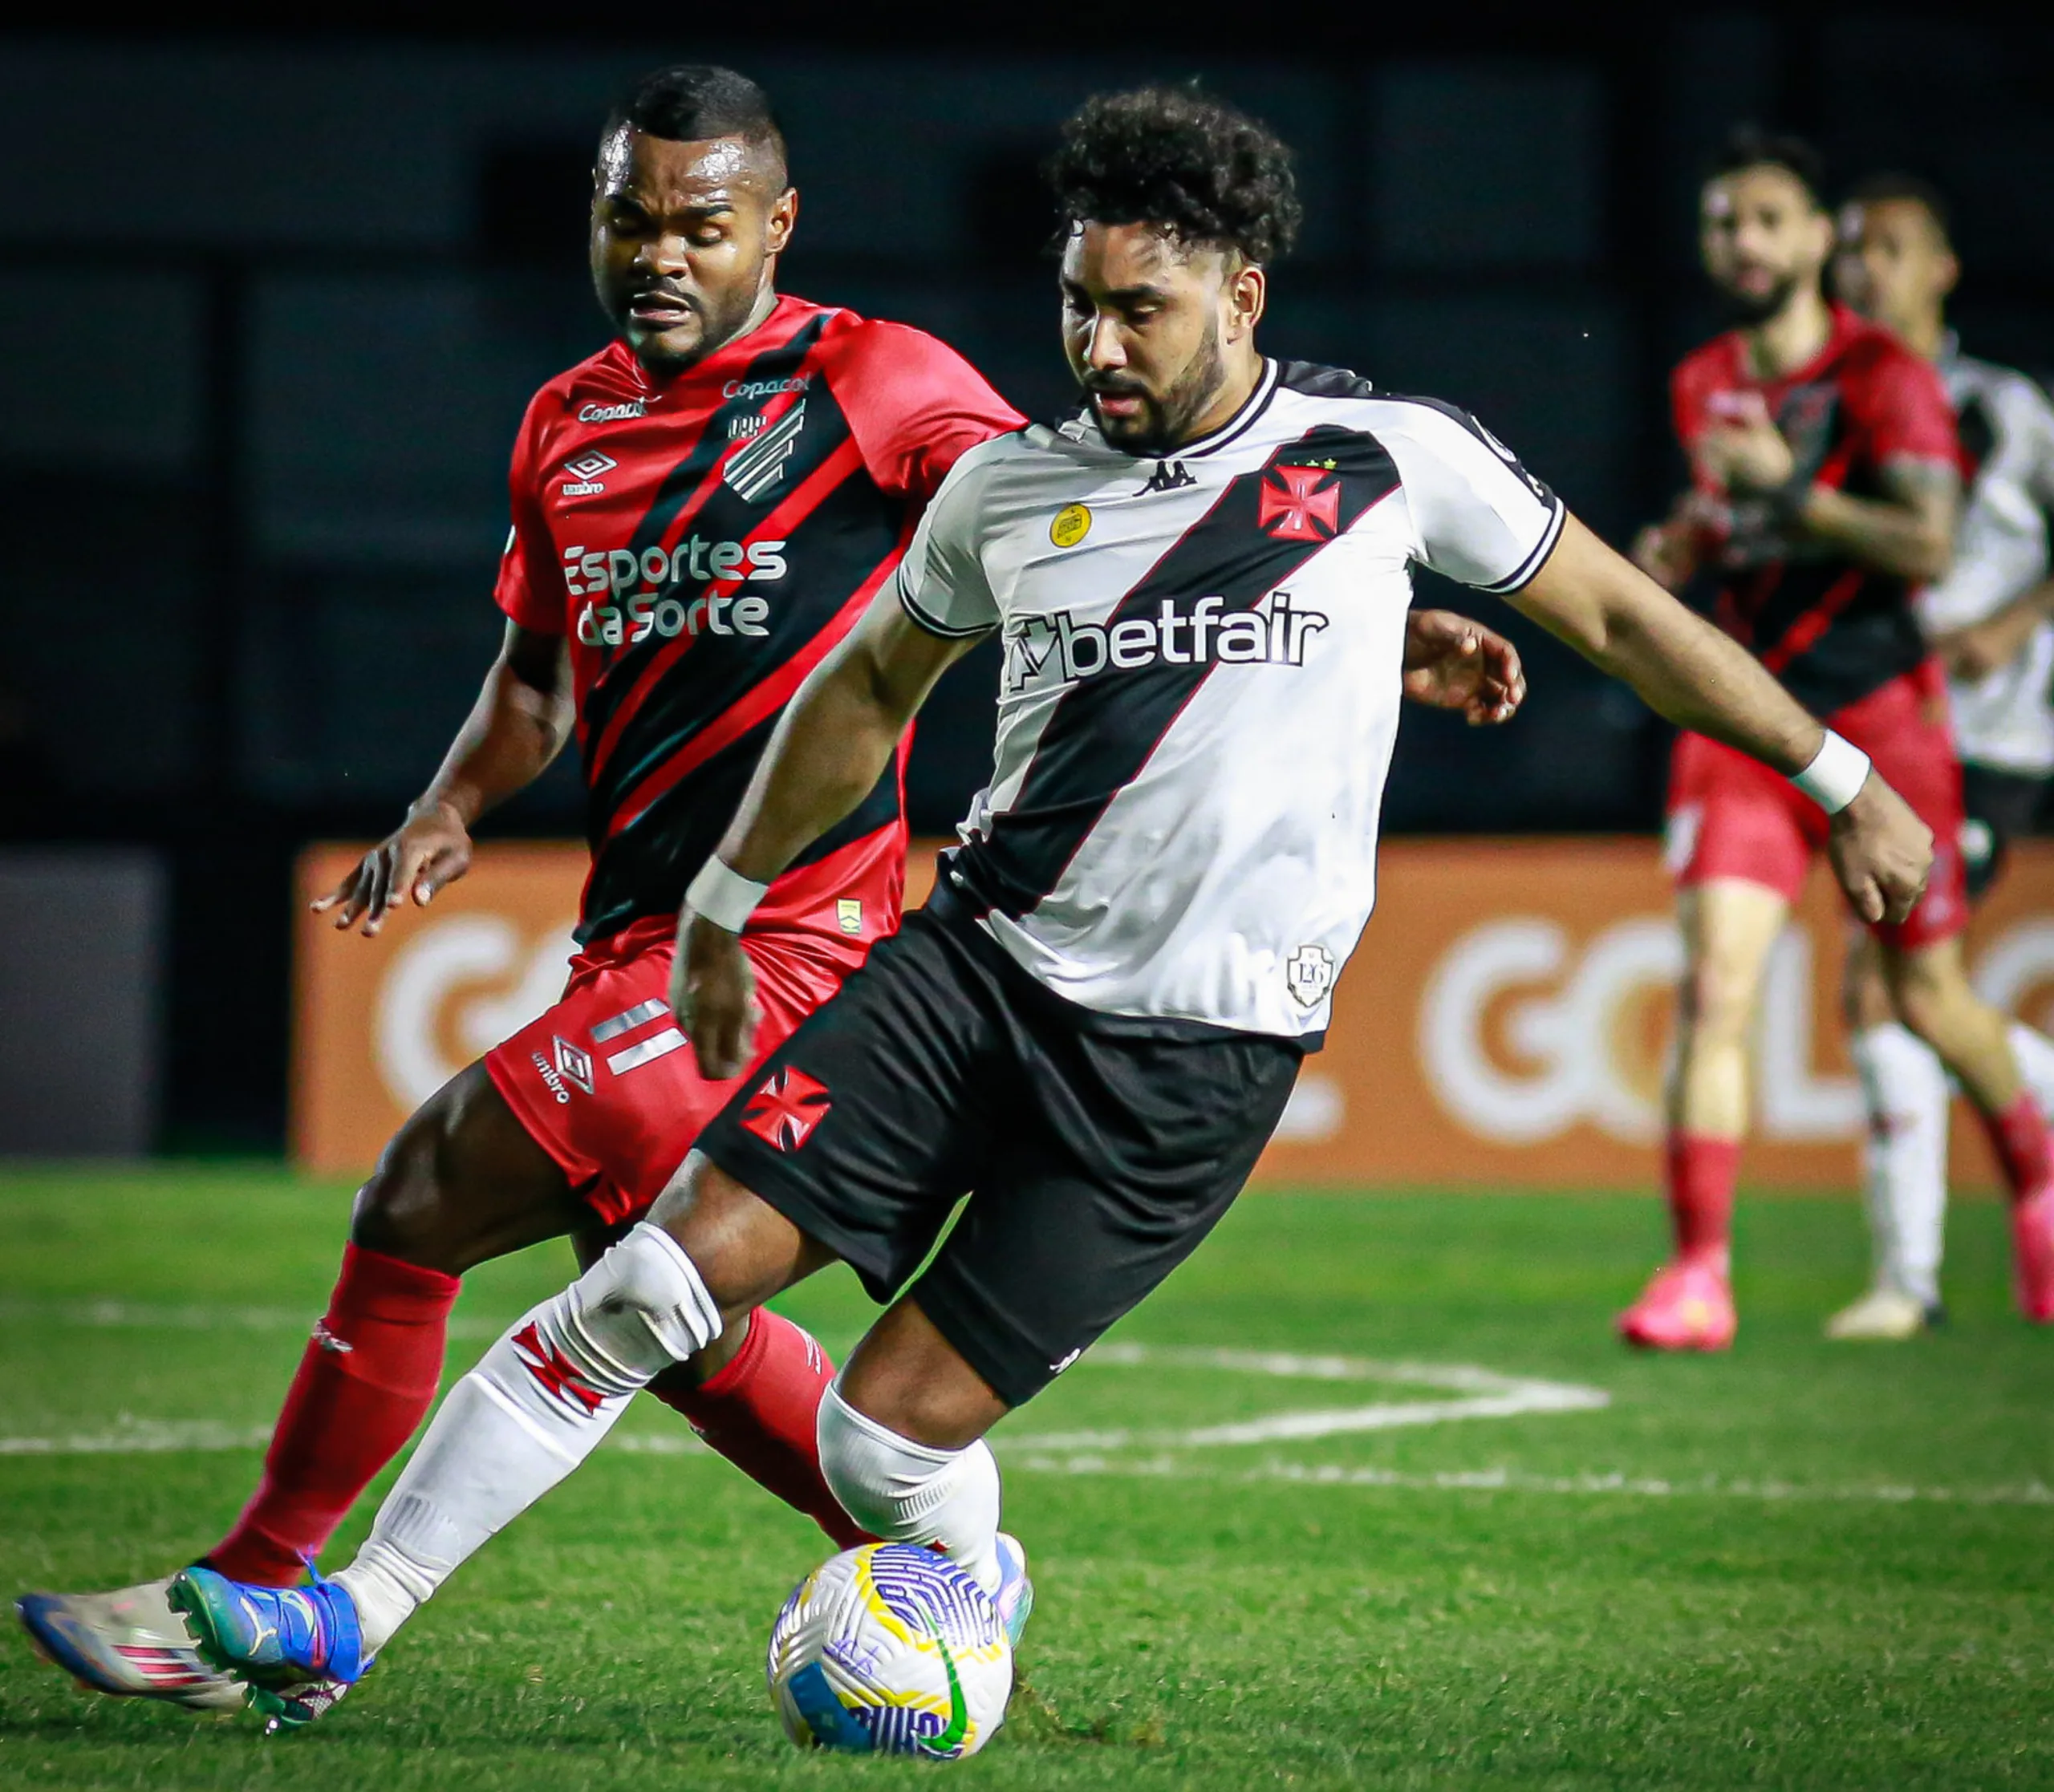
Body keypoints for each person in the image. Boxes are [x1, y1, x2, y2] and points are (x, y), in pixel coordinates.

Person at [165, 84, 1932, 1725]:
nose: (1095, 345)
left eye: (1135, 309)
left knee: (877, 1444)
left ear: (1238, 293)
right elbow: (858, 696)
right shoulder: (1012, 490)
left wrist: (1841, 783)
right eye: (1075, 303)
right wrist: (717, 899)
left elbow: (1625, 622)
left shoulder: (1386, 461)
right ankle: (355, 1612)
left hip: (1191, 1064)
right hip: (972, 972)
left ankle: (960, 1582)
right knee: (648, 1285)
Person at [14, 61, 1028, 1713]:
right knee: (673, 1319)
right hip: (631, 943)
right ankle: (945, 1563)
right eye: (628, 219)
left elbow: (1056, 523)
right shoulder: (564, 421)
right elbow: (538, 681)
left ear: (775, 226)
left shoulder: (876, 382)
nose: (659, 254)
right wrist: (444, 805)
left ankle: (256, 1601)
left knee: (417, 1195)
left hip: (785, 951)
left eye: (701, 226)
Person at [1622, 127, 2054, 1352]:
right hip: (1748, 716)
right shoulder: (1704, 376)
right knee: (1716, 987)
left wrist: (1784, 491)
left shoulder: (1887, 376)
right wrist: (1686, 545)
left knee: (1927, 997)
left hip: (1883, 722)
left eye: (1767, 219)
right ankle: (1699, 1271)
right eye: (1723, 222)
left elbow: (1926, 547)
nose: (1743, 243)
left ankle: (2035, 1167)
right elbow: (1725, 518)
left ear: (1816, 238)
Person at [1822, 174, 2054, 1339]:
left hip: (1986, 732)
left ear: (1942, 268)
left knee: (1886, 978)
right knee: (1906, 986)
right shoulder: (1829, 402)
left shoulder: (2004, 406)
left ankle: (1906, 1280)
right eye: (1853, 248)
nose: (1867, 268)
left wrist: (2017, 622)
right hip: (1874, 729)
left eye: (1894, 247)